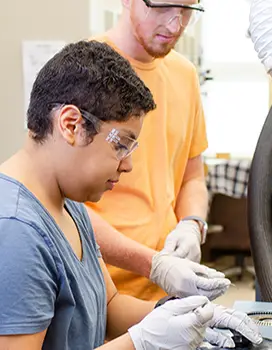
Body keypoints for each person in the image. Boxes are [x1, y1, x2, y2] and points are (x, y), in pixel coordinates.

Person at [0, 40, 263, 350]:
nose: (128, 165)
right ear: (71, 125)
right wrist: (142, 343)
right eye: (121, 144)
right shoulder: (7, 231)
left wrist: (186, 321)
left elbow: (109, 306)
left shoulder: (67, 203)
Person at [88, 0, 217, 301]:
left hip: (169, 287)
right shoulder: (85, 69)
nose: (175, 25)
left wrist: (192, 224)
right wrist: (152, 264)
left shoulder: (185, 75)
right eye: (163, 6)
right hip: (101, 290)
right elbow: (63, 205)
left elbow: (192, 178)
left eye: (187, 11)